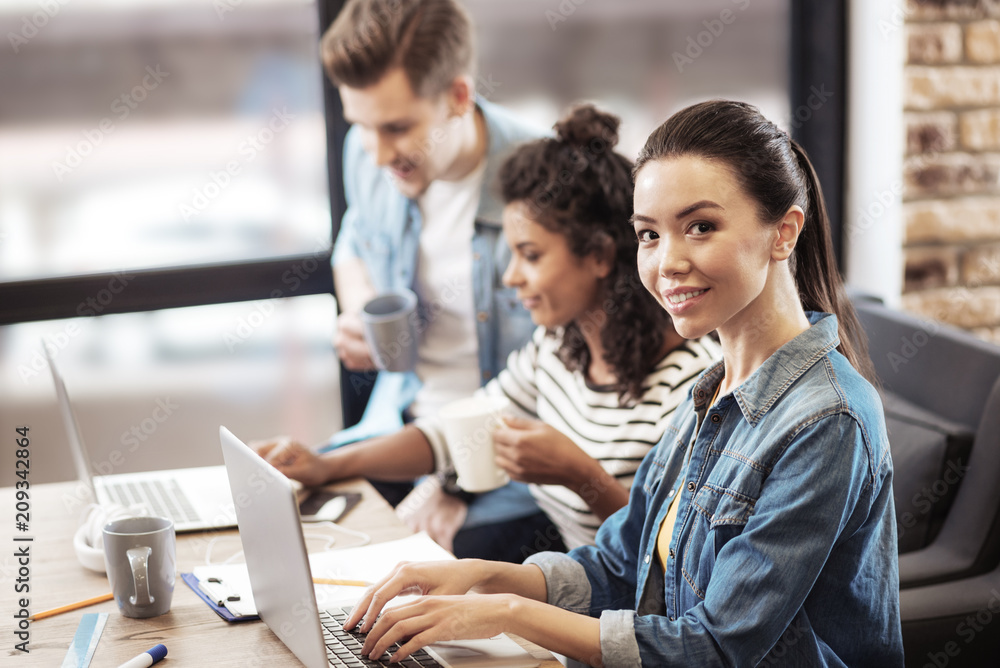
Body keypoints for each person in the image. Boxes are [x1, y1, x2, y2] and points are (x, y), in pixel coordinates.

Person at [340, 100, 904, 667]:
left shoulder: (828, 419)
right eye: (650, 235)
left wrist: (506, 612)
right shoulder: (713, 393)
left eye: (700, 227)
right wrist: (479, 578)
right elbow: (621, 562)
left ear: (783, 233)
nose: (667, 262)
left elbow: (716, 647)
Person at [258, 105, 720, 562]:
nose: (510, 277)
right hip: (580, 590)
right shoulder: (556, 351)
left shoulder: (690, 386)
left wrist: (579, 475)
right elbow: (449, 434)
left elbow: (670, 560)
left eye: (531, 255)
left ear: (599, 255)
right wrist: (326, 464)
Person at [292, 0, 546, 540]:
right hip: (399, 427)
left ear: (458, 96)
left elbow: (575, 377)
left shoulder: (546, 181)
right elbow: (353, 241)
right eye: (361, 125)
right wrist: (361, 307)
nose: (379, 154)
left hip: (507, 470)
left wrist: (457, 487)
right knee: (291, 514)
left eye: (397, 127)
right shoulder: (365, 155)